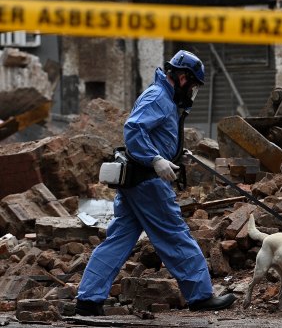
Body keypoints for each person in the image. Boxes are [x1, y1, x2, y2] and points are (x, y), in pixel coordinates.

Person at [75, 50, 236, 316]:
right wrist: (155, 159)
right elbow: (134, 129)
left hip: (136, 183)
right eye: (193, 85)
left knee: (119, 239)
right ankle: (200, 295)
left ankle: (88, 299)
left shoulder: (165, 98)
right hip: (148, 183)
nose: (193, 92)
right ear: (183, 78)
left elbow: (152, 133)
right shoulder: (158, 97)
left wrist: (170, 152)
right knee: (174, 234)